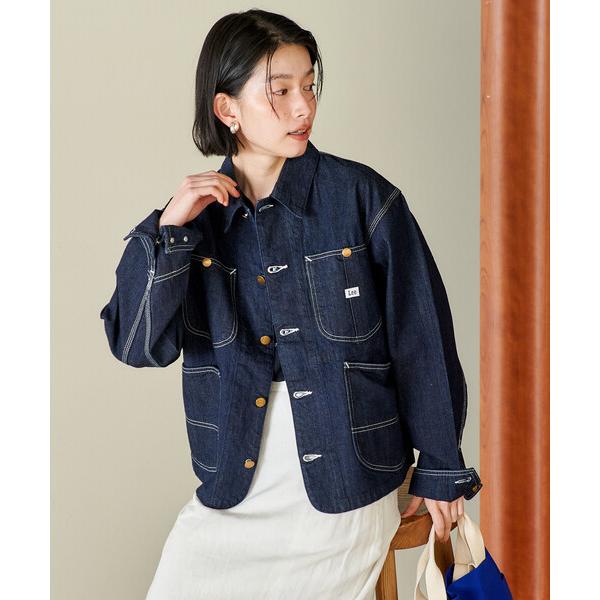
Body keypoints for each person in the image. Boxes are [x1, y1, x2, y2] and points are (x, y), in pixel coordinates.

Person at [99, 8, 482, 600]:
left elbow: (421, 339)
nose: (303, 107)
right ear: (227, 109)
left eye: (309, 86)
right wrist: (169, 231)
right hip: (234, 483)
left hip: (347, 480)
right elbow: (136, 346)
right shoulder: (192, 224)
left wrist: (439, 466)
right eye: (280, 91)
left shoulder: (362, 198)